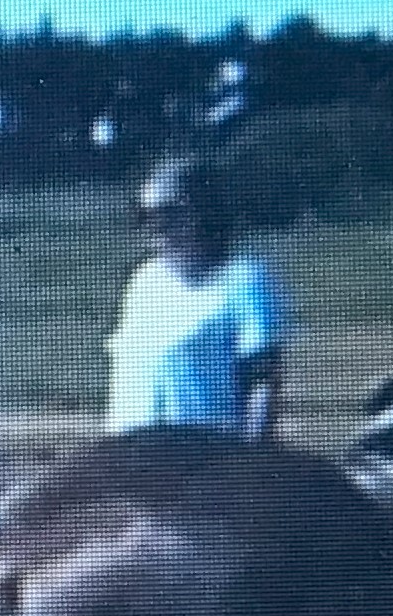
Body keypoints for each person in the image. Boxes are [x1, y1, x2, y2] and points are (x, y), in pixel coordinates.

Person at [103, 152, 287, 436]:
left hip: (206, 456)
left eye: (168, 216)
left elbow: (262, 383)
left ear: (204, 214)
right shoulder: (144, 281)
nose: (155, 231)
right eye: (146, 217)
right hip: (131, 452)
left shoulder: (246, 279)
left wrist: (251, 462)